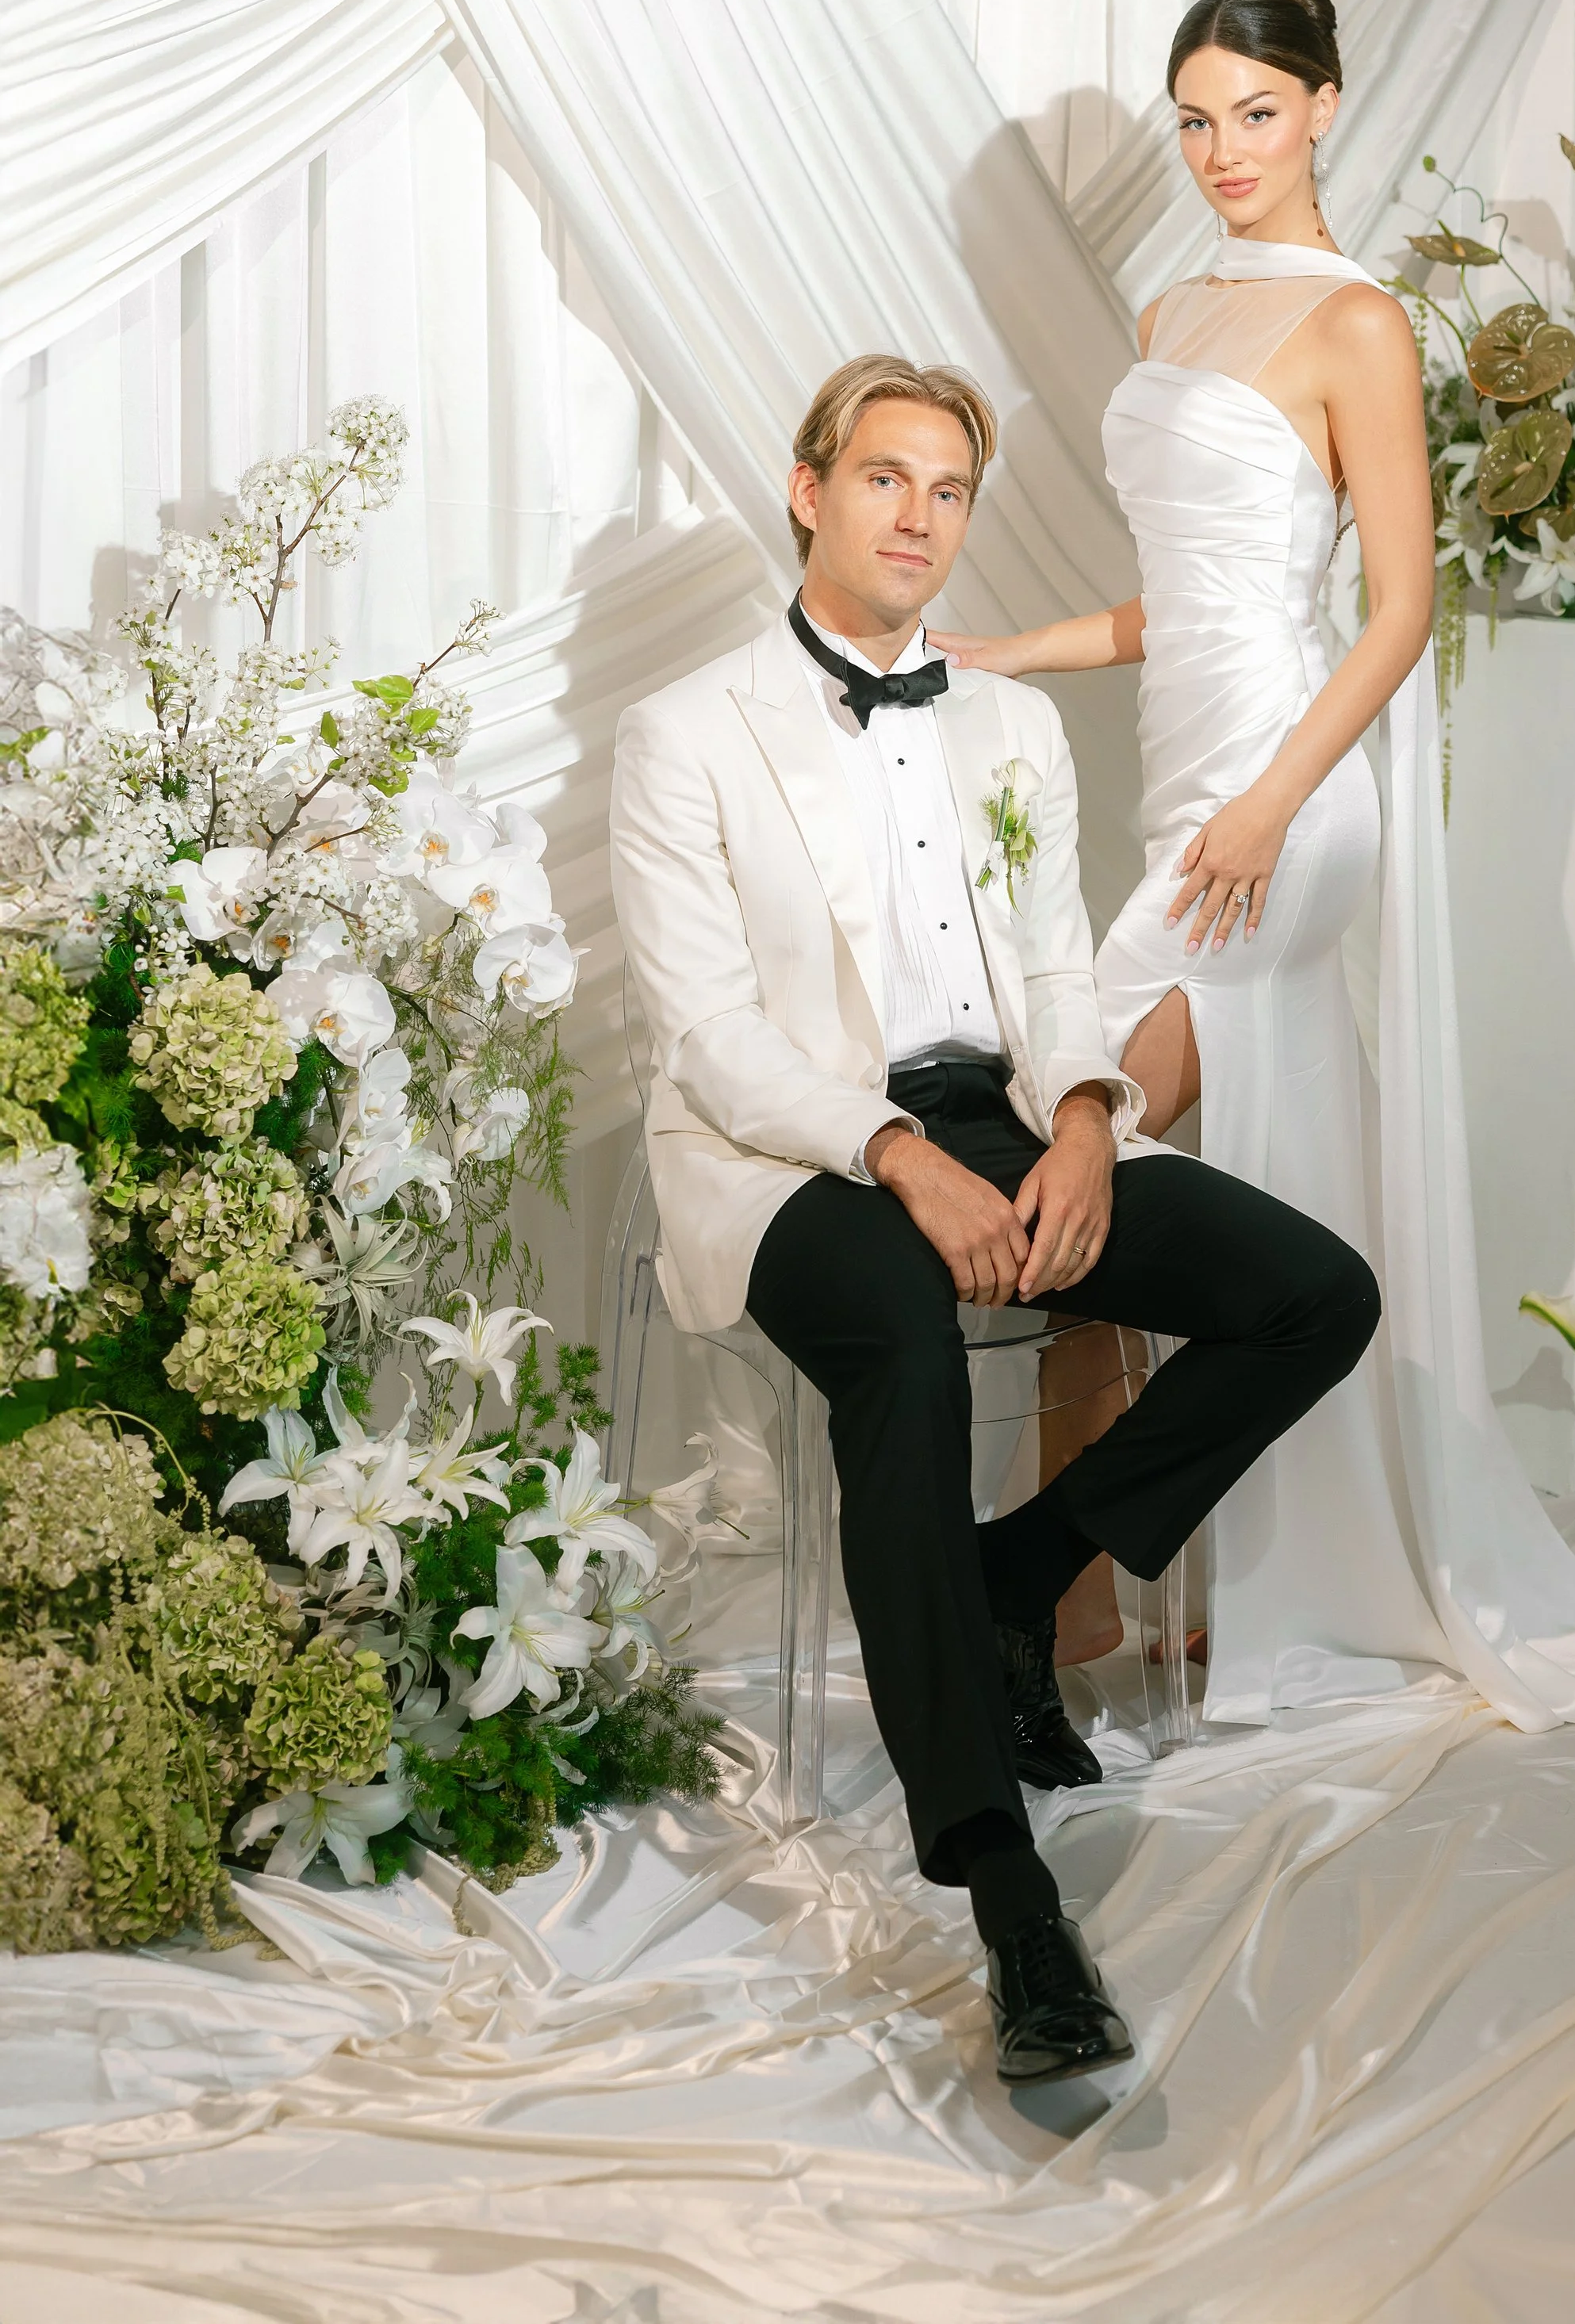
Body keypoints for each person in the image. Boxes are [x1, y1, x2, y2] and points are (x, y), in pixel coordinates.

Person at [609, 353, 1381, 2089]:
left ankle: (1009, 1575)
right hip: (786, 1141)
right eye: (882, 478)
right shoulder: (683, 730)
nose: (916, 516)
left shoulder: (1007, 720)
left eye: (945, 489)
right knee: (903, 1345)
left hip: (1004, 1104)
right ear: (806, 487)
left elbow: (1051, 972)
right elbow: (709, 1035)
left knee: (1308, 1292)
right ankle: (1005, 1893)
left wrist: (1091, 1113)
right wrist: (895, 1152)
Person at [933, 0, 1450, 1718]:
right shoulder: (1176, 303)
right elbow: (1183, 603)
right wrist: (1005, 651)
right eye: (1194, 119)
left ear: (1319, 106)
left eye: (1253, 111)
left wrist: (1268, 802)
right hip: (1186, 795)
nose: (1221, 149)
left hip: (1279, 806)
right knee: (1096, 1195)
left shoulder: (1358, 323)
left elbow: (1397, 609)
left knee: (1090, 1145)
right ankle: (1063, 1617)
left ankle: (1029, 1578)